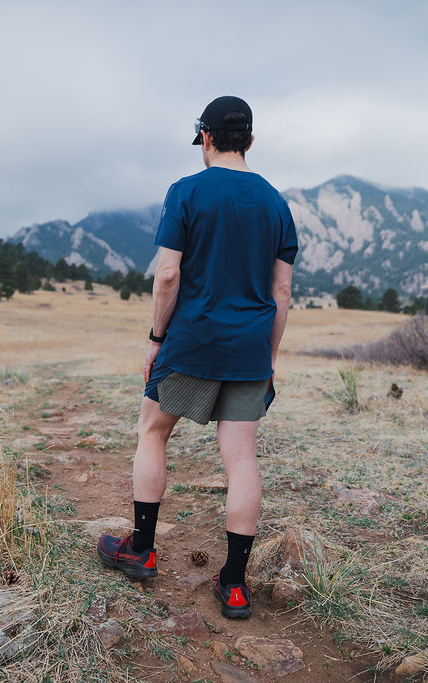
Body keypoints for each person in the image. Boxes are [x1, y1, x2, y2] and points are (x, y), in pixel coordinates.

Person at [97, 96, 297, 619]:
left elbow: (167, 275)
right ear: (250, 141)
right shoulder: (277, 204)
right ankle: (233, 584)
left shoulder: (185, 191)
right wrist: (267, 357)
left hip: (192, 343)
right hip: (250, 350)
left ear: (205, 138)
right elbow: (282, 295)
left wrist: (156, 337)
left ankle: (141, 550)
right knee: (242, 460)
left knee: (152, 432)